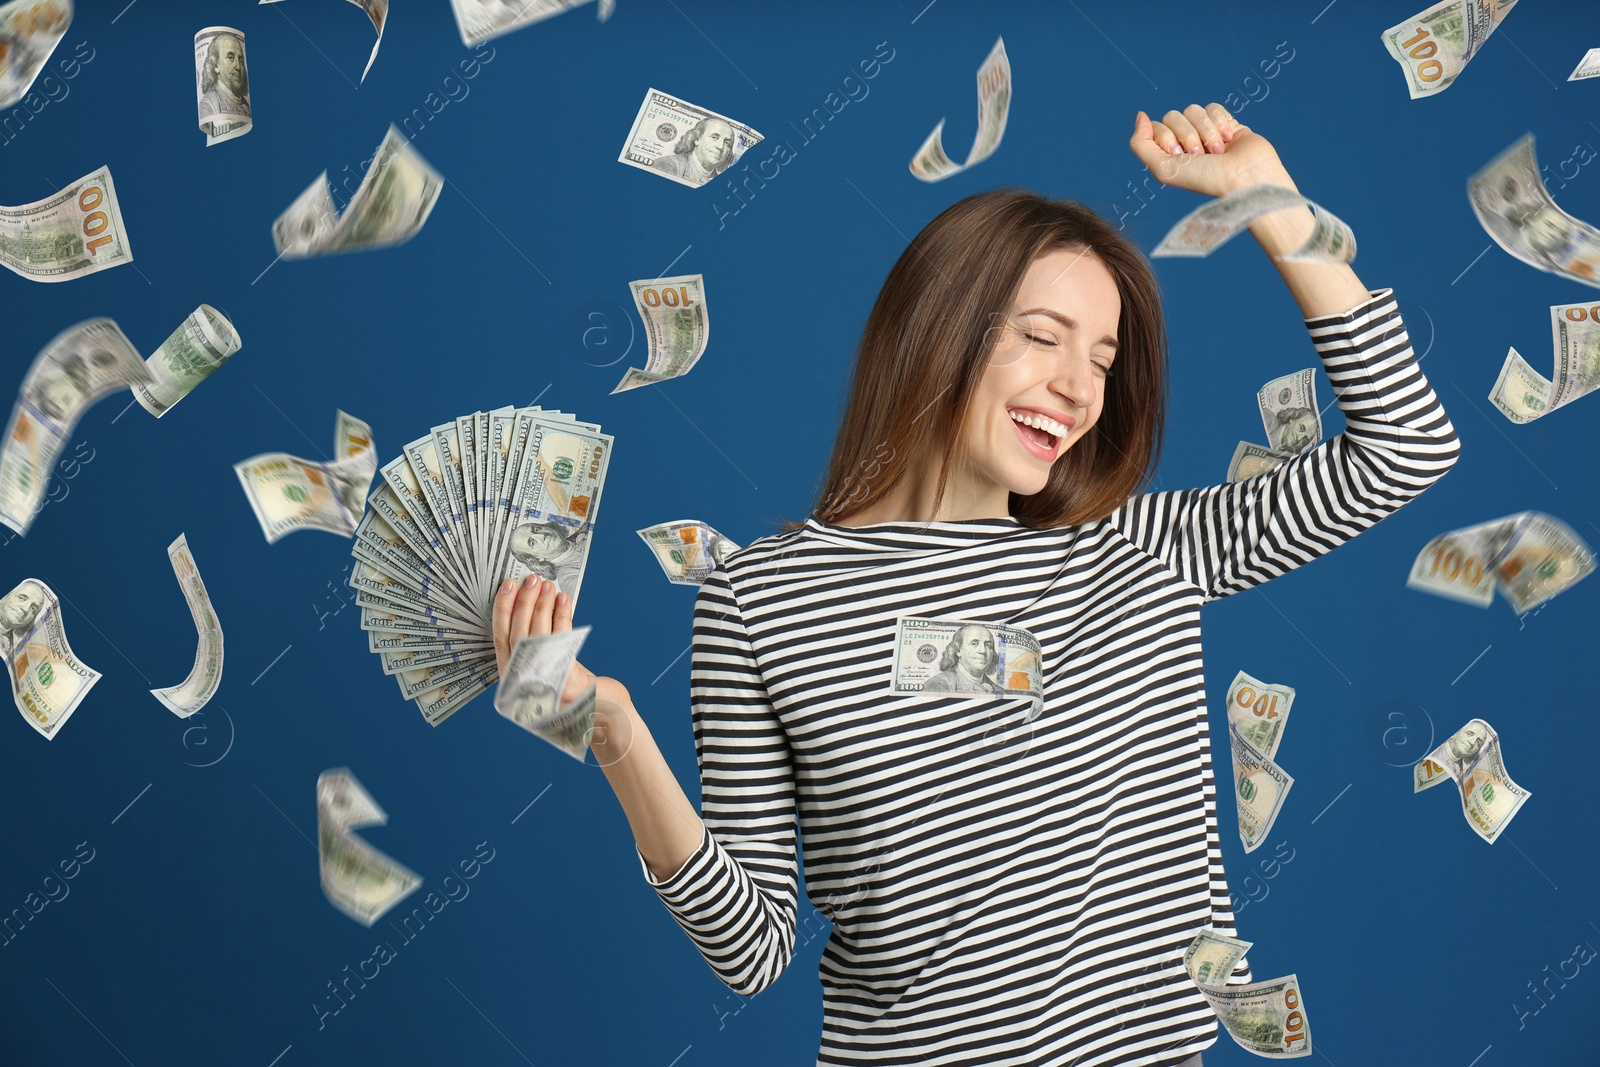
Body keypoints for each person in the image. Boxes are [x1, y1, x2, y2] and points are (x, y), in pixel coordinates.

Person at [492, 102, 1461, 1067]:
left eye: (1103, 358)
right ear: (938, 330)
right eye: (1043, 336)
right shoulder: (761, 599)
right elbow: (752, 951)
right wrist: (614, 734)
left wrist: (1269, 198)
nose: (1081, 389)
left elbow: (1403, 446)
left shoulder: (1143, 551)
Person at [919, 623, 1007, 694]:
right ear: (958, 650)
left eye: (988, 645)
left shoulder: (999, 691)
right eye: (974, 644)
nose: (983, 651)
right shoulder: (938, 685)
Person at [653, 116, 736, 187]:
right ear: (697, 139)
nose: (720, 146)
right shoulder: (667, 165)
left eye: (727, 143)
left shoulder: (722, 185)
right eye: (714, 137)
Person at [197, 30, 248, 119]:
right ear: (216, 65)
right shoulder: (208, 104)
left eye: (240, 59)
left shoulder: (246, 104)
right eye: (230, 57)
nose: (238, 67)